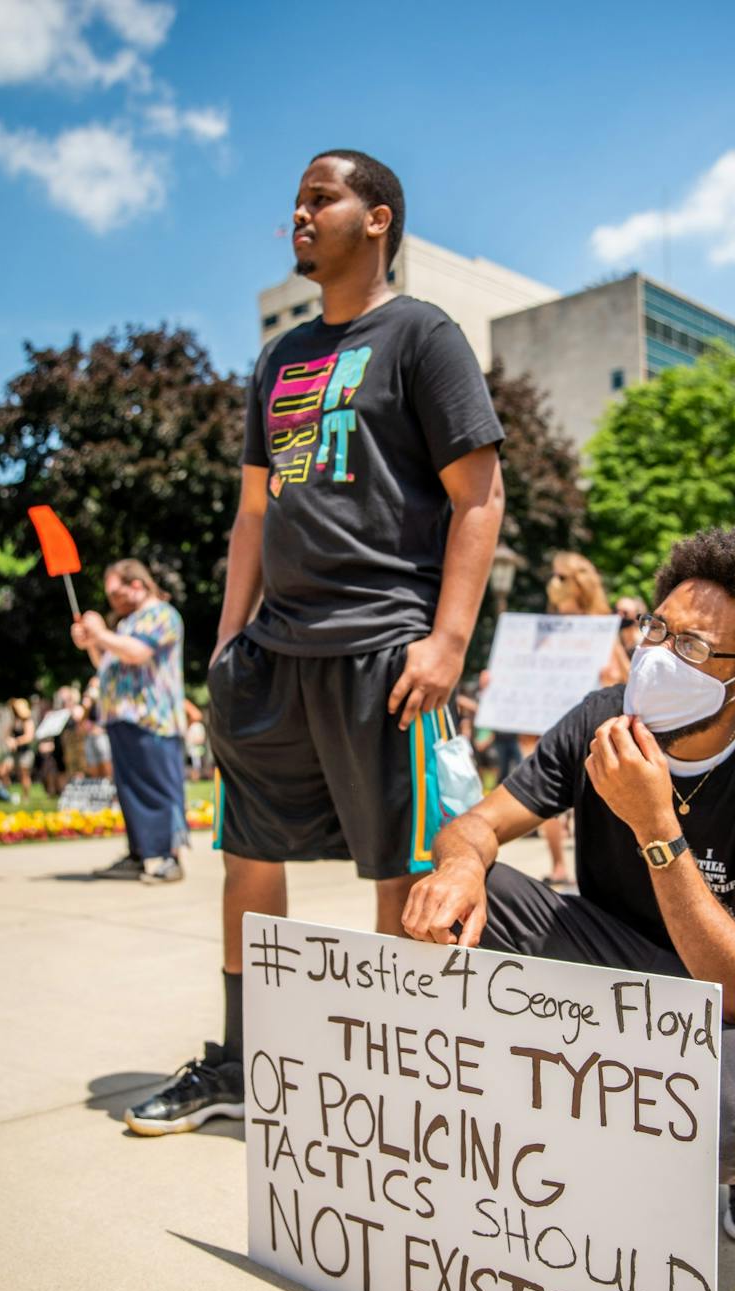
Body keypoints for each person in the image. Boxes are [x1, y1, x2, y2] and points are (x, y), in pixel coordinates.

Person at [125, 148, 505, 1135]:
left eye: (320, 197)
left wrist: (448, 640)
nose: (299, 213)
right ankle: (243, 1063)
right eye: (294, 200)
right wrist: (223, 645)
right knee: (246, 857)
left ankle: (402, 1087)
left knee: (399, 870)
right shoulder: (280, 357)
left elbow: (480, 496)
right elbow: (252, 516)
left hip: (386, 647)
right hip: (273, 659)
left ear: (375, 219)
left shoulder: (424, 336)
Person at [403, 529, 735, 1249]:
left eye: (692, 647)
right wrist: (457, 865)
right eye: (657, 627)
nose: (658, 652)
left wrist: (655, 825)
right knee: (471, 899)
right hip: (618, 956)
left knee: (725, 1126)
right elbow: (476, 826)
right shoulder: (602, 719)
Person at [71, 559, 188, 882]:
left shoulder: (163, 615)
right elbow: (109, 663)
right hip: (121, 717)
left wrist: (101, 633)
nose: (112, 600)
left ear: (136, 584)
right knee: (131, 791)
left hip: (153, 718)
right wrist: (92, 642)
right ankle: (139, 853)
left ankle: (169, 856)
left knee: (159, 789)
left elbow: (137, 652)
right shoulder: (126, 623)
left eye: (115, 592)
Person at [536, 553, 631, 887]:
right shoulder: (545, 625)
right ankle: (558, 863)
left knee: (587, 793)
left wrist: (610, 677)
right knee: (540, 790)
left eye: (561, 577)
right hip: (543, 717)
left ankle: (589, 866)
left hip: (587, 723)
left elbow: (625, 676)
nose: (554, 583)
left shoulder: (600, 625)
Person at [0, 698, 36, 801]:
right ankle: (6, 792)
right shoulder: (15, 721)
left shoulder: (28, 721)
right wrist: (8, 740)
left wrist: (16, 741)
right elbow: (6, 734)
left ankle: (25, 797)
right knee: (3, 770)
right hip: (14, 752)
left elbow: (29, 737)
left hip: (25, 752)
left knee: (24, 775)